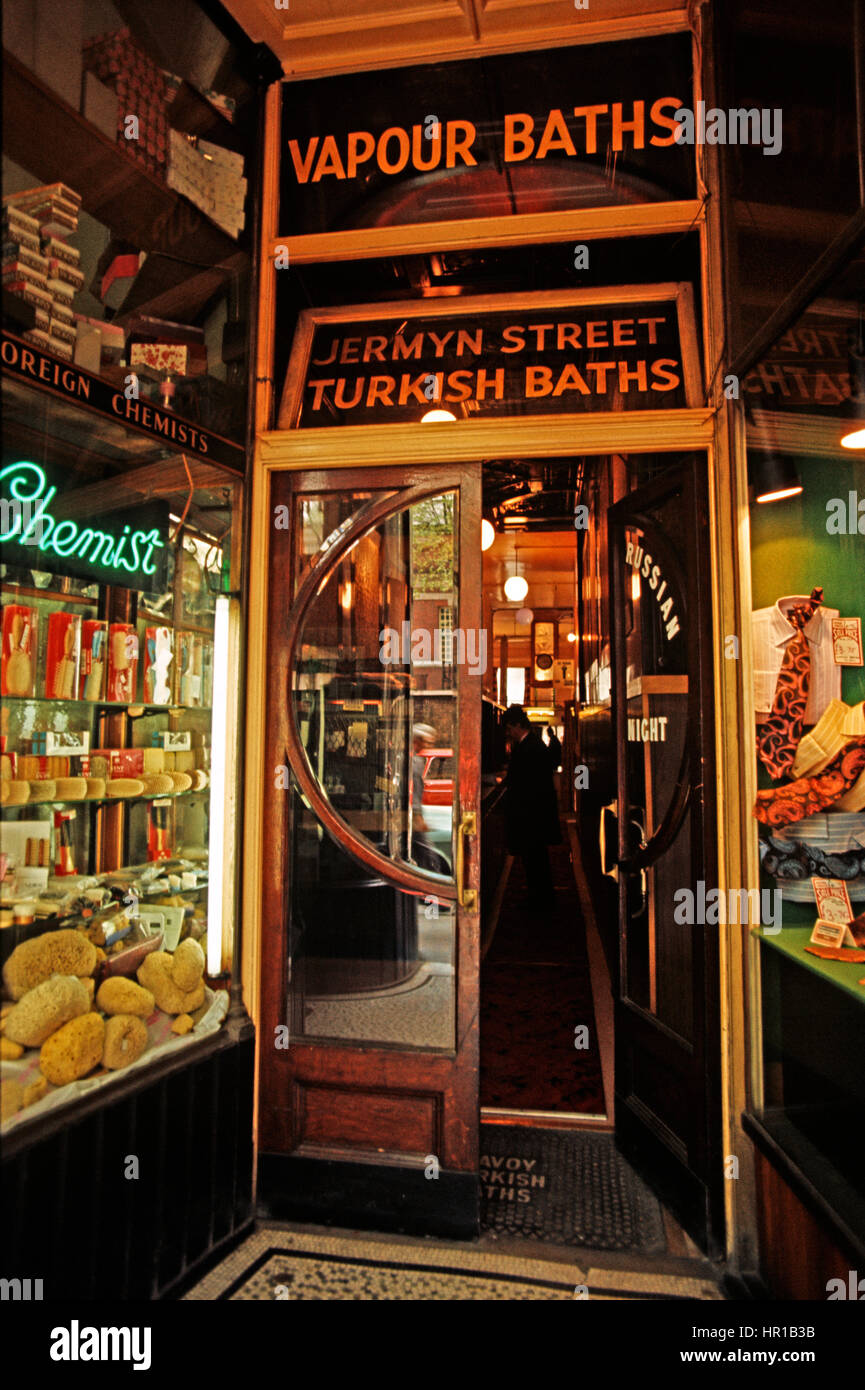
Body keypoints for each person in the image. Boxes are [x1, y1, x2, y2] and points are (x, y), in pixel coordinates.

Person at [503, 705, 561, 911]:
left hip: (531, 816)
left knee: (534, 861)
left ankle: (540, 902)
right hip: (536, 815)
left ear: (518, 725)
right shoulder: (533, 745)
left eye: (509, 729)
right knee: (537, 861)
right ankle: (540, 899)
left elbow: (525, 785)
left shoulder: (529, 748)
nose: (508, 734)